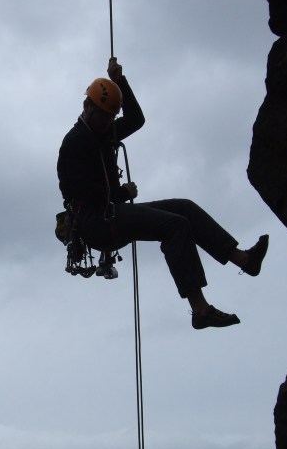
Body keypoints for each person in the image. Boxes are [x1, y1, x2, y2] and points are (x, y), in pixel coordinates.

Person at [56, 57, 268, 330]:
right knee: (174, 225)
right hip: (95, 222)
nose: (109, 121)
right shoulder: (75, 142)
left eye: (111, 116)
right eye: (104, 115)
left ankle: (243, 259)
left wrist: (120, 82)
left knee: (184, 208)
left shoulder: (103, 132)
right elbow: (82, 191)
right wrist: (121, 193)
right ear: (87, 107)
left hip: (108, 214)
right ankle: (200, 309)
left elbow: (136, 119)